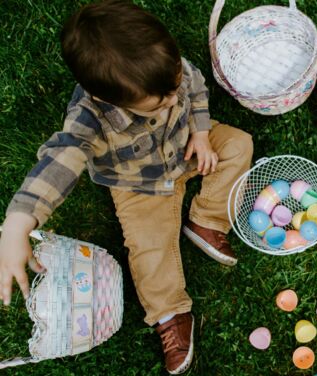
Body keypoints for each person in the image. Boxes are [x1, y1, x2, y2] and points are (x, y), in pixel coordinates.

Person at [0, 1, 253, 374]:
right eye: (161, 102)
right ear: (106, 98)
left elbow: (195, 87)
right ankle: (169, 312)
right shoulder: (90, 120)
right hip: (138, 184)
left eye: (173, 87)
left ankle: (207, 220)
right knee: (149, 250)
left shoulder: (168, 69)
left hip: (187, 148)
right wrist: (19, 222)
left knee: (239, 145)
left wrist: (200, 132)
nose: (172, 98)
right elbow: (61, 160)